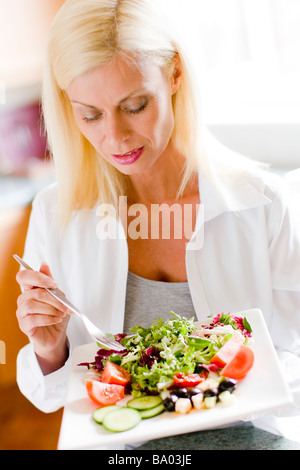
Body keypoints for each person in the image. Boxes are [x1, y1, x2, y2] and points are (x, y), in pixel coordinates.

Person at [16, 0, 300, 445]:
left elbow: (296, 364)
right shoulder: (57, 213)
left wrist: (238, 377)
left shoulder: (263, 204)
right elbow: (49, 395)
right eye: (90, 114)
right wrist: (49, 348)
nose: (115, 137)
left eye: (135, 105)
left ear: (174, 74)